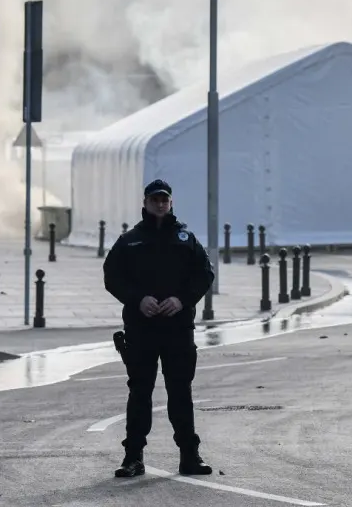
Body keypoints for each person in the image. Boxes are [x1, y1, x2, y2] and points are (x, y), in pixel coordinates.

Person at [103, 179, 216, 479]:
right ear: (145, 203)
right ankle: (133, 457)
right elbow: (112, 276)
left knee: (181, 392)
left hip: (178, 329)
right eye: (155, 200)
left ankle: (189, 457)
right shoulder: (129, 241)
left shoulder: (186, 239)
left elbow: (205, 273)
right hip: (142, 329)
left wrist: (182, 300)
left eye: (165, 199)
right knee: (140, 393)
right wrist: (138, 300)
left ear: (171, 202)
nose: (161, 204)